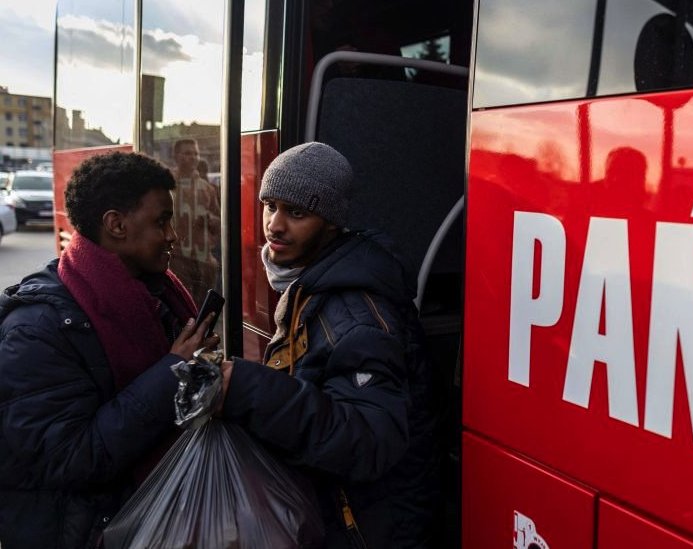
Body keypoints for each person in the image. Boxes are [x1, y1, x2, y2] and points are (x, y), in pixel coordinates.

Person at [219, 142, 441, 548]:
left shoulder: (353, 314)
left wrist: (249, 389)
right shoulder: (313, 282)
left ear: (332, 223)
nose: (275, 225)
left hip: (367, 528)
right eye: (270, 206)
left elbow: (370, 440)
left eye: (297, 212)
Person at [0, 152, 218, 549]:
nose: (173, 235)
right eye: (161, 221)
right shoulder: (36, 329)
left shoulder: (156, 295)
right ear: (116, 225)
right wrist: (171, 372)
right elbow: (68, 458)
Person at [169, 138, 221, 306]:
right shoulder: (167, 186)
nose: (192, 157)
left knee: (202, 308)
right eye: (187, 153)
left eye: (195, 153)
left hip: (203, 260)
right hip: (177, 258)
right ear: (176, 156)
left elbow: (219, 222)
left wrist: (212, 220)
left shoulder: (207, 188)